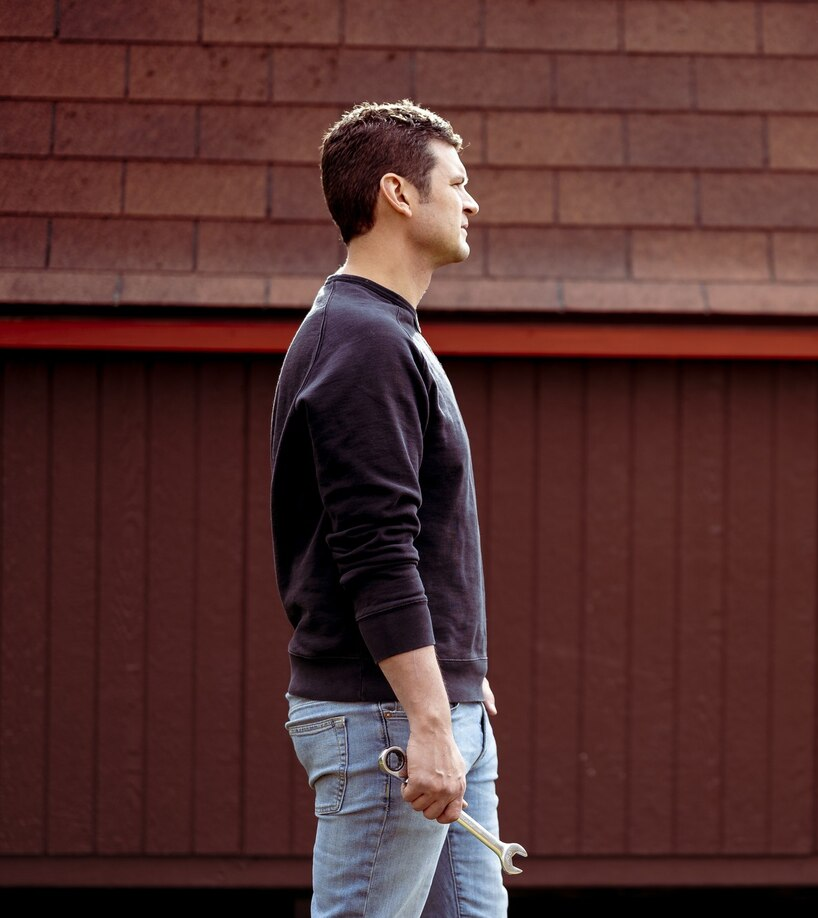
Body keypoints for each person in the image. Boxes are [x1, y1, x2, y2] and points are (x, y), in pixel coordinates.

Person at [268, 99, 501, 918]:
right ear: (399, 195)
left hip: (425, 709)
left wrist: (460, 680)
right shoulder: (362, 343)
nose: (472, 203)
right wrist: (431, 722)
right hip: (389, 724)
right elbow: (375, 552)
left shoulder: (384, 333)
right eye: (458, 183)